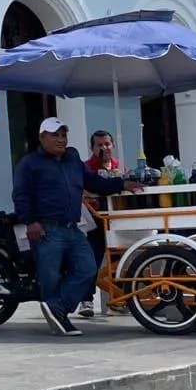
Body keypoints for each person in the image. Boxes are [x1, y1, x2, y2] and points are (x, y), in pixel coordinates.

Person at [13, 118, 141, 336]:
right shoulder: (30, 163)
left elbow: (94, 183)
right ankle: (60, 318)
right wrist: (31, 222)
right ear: (42, 137)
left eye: (63, 135)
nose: (61, 139)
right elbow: (21, 195)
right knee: (50, 277)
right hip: (46, 229)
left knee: (88, 269)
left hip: (73, 228)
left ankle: (58, 308)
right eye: (55, 135)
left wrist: (121, 184)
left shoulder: (73, 161)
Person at [79, 130, 123, 318]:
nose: (104, 148)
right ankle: (86, 300)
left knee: (118, 262)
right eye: (100, 145)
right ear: (92, 148)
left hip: (116, 219)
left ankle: (117, 300)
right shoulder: (87, 167)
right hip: (95, 220)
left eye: (107, 144)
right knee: (92, 260)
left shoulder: (118, 166)